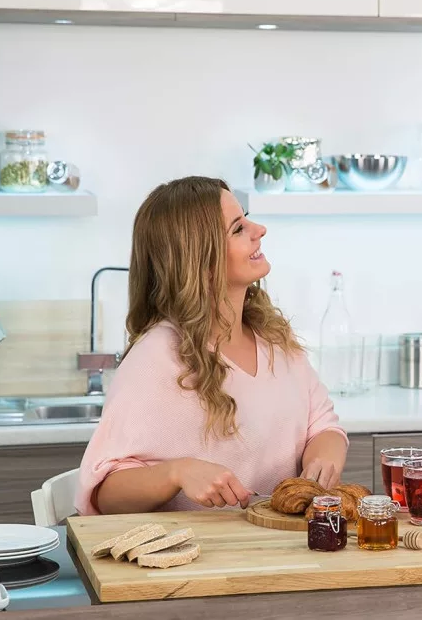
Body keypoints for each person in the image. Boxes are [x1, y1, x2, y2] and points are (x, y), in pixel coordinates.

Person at [74, 176, 349, 516]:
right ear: (201, 262)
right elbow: (105, 495)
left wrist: (322, 460)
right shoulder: (156, 356)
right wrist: (177, 473)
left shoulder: (274, 338)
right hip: (194, 548)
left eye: (247, 219)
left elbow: (323, 427)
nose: (260, 230)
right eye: (238, 229)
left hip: (277, 544)